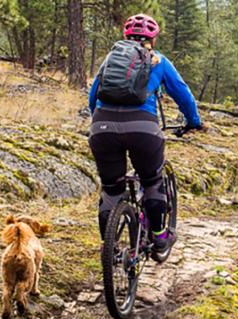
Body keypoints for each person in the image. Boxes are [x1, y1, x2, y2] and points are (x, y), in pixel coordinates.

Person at [87, 13, 202, 254]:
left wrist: (100, 122)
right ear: (153, 39)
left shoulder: (110, 59)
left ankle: (108, 247)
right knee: (152, 182)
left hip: (102, 127)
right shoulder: (159, 61)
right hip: (144, 130)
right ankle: (160, 237)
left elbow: (92, 97)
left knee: (111, 189)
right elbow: (183, 94)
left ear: (126, 37)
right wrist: (194, 122)